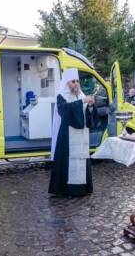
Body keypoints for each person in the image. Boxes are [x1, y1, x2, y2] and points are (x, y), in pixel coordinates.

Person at [48, 68, 98, 197]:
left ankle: (82, 189)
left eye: (77, 81)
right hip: (68, 135)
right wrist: (81, 102)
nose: (76, 84)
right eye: (73, 81)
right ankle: (67, 190)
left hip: (81, 136)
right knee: (69, 162)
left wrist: (91, 106)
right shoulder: (61, 96)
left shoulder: (82, 95)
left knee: (81, 160)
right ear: (66, 83)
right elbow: (63, 111)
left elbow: (87, 115)